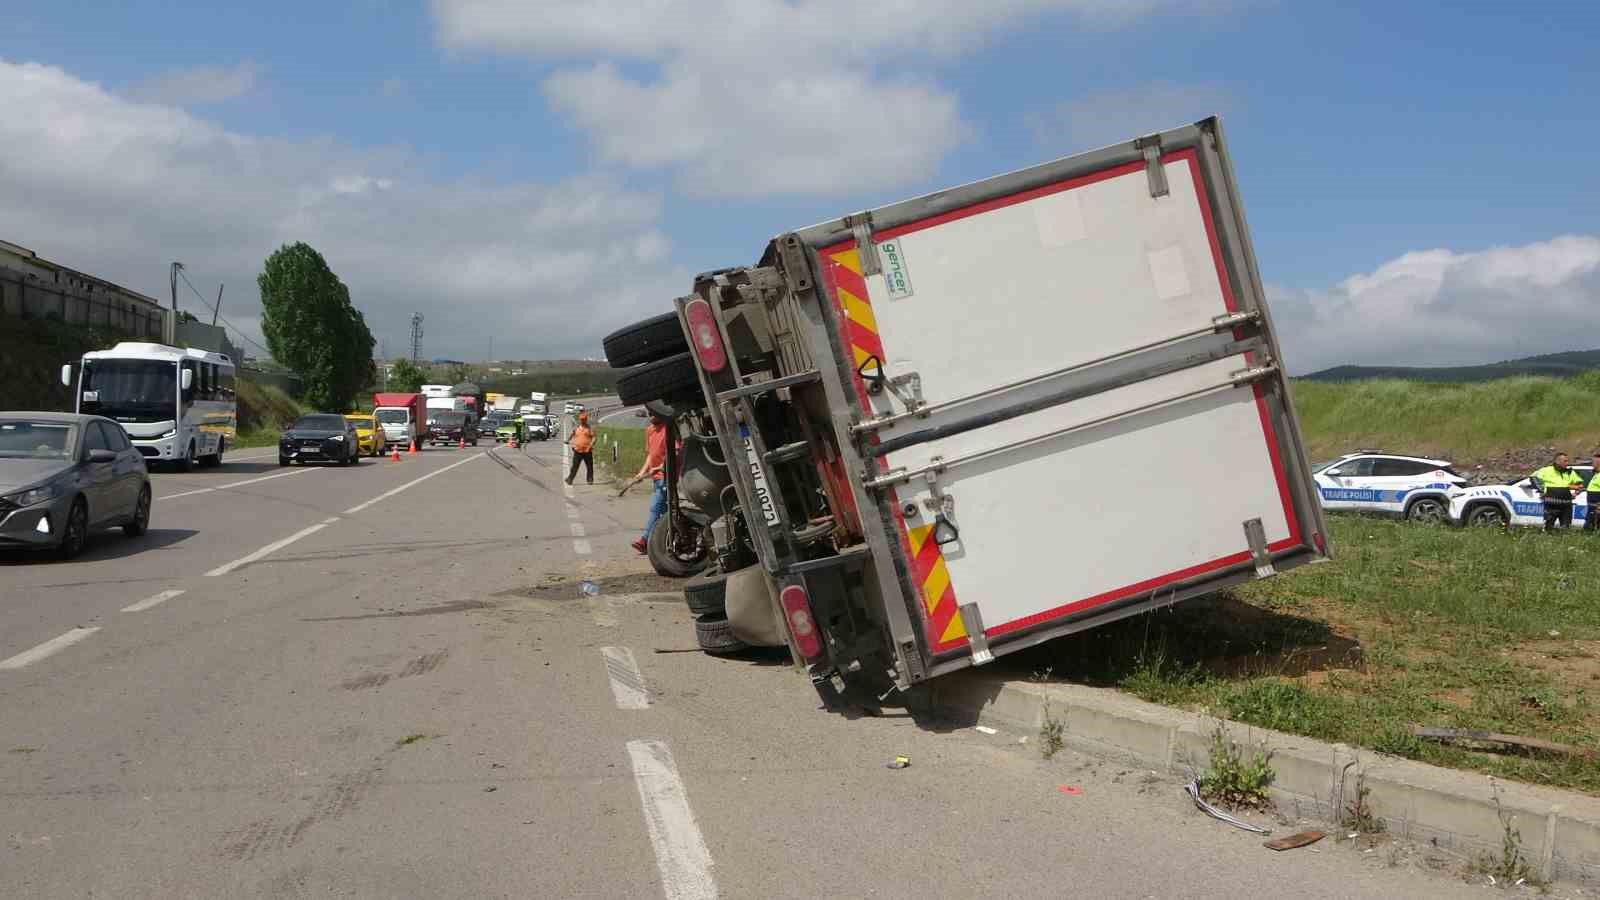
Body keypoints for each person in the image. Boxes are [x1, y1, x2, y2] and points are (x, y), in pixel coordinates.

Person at [629, 413, 669, 554]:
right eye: (649, 412)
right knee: (664, 512)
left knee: (655, 508)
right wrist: (641, 472)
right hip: (655, 477)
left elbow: (675, 453)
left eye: (654, 412)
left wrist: (659, 467)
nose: (651, 415)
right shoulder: (650, 430)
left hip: (666, 475)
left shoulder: (668, 430)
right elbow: (651, 455)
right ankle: (665, 539)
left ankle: (645, 540)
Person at [1532, 451, 1585, 533]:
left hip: (1566, 506)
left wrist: (1576, 493)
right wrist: (1542, 490)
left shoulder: (1570, 472)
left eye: (1567, 461)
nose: (1567, 463)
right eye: (1565, 461)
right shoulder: (1546, 470)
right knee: (1548, 528)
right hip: (1551, 505)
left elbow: (1581, 485)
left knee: (1565, 529)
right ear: (1557, 461)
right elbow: (1533, 477)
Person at [565, 412, 595, 485]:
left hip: (587, 450)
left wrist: (591, 444)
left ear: (586, 419)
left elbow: (594, 437)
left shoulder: (589, 428)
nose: (582, 421)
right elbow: (572, 434)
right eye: (581, 419)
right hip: (578, 450)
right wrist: (568, 440)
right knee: (574, 466)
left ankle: (590, 479)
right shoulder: (577, 428)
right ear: (579, 420)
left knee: (589, 466)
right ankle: (570, 479)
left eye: (584, 419)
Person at [1586, 451, 1600, 533]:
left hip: (1597, 509)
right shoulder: (1596, 474)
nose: (1592, 464)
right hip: (1592, 508)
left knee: (1590, 528)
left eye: (1593, 462)